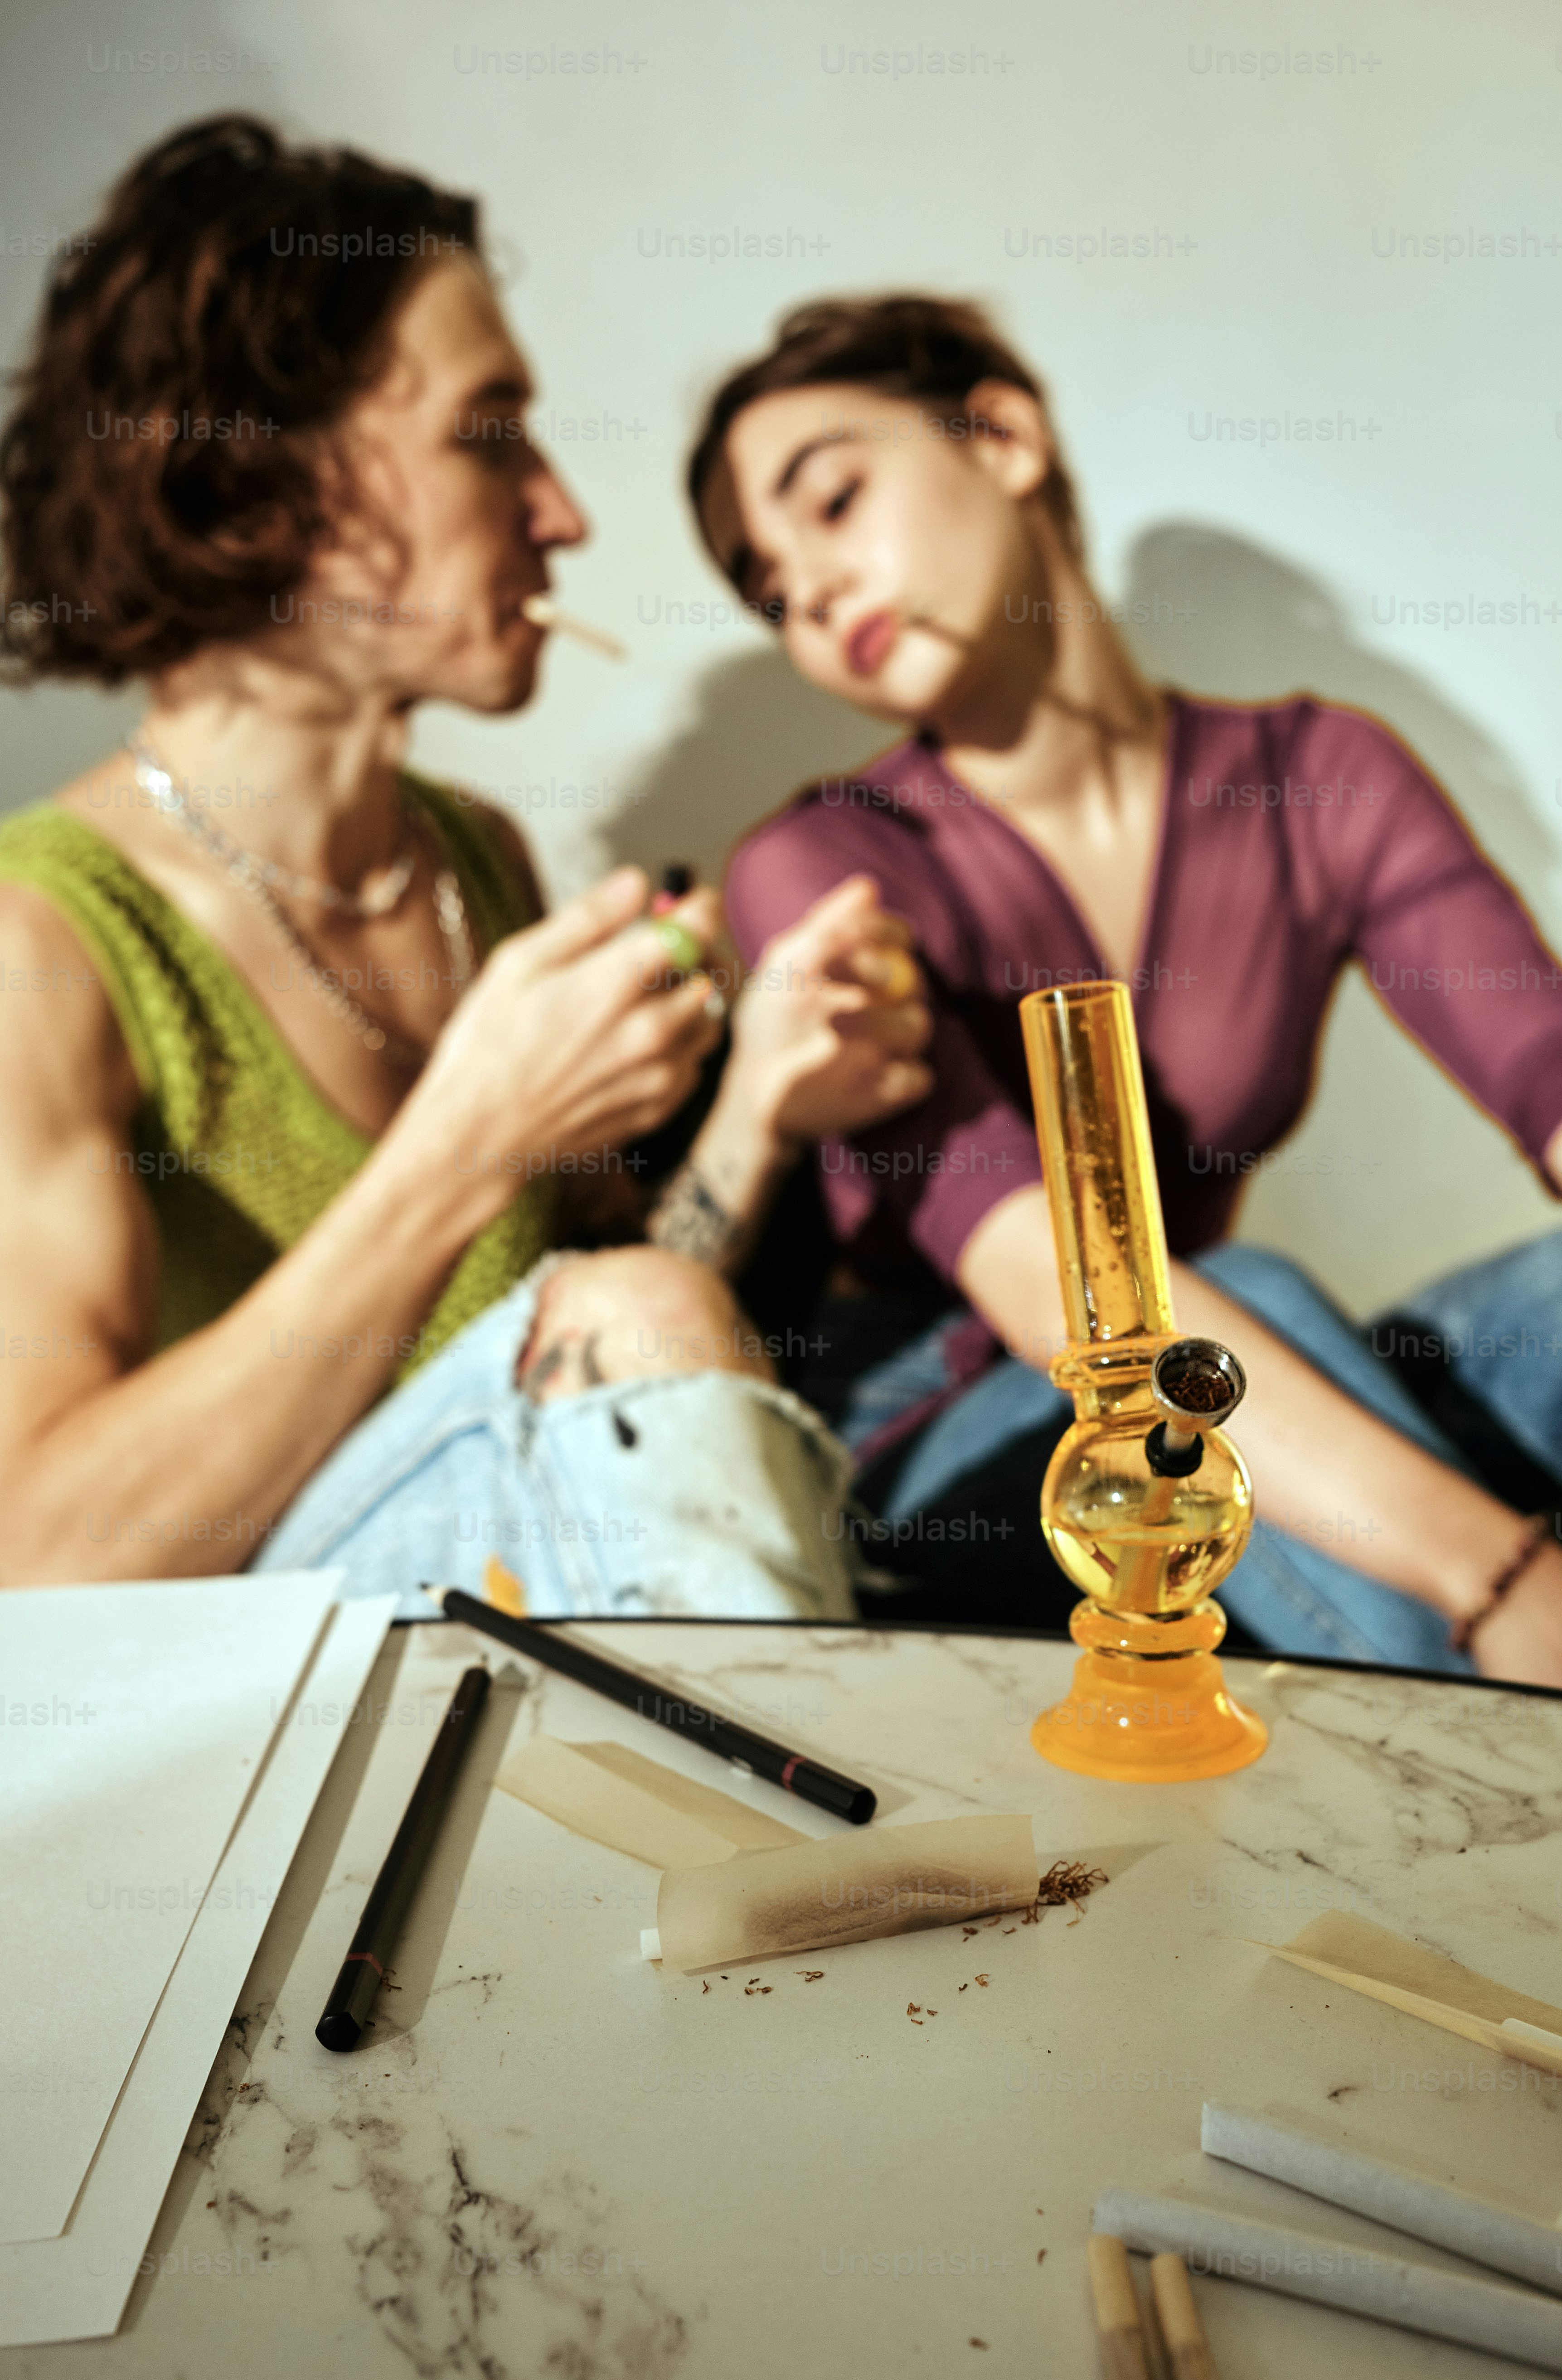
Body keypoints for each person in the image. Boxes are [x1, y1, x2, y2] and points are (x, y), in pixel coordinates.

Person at [0, 120, 933, 1616]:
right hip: (224, 1688)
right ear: (263, 480)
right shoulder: (44, 939)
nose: (561, 512)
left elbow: (609, 1337)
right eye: (490, 431)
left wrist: (756, 1104)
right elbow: (35, 1558)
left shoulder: (470, 859)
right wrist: (468, 1139)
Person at [686, 292, 1562, 1690]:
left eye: (832, 500)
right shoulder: (822, 871)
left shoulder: (1323, 780)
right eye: (769, 590)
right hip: (952, 1458)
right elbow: (1057, 1288)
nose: (810, 595)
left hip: (1235, 1375)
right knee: (1218, 1323)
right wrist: (1506, 1585)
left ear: (1001, 433)